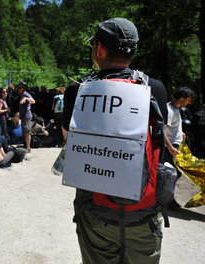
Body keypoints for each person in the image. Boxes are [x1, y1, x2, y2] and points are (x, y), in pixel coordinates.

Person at [62, 18, 168, 264]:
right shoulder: (156, 88)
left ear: (99, 49)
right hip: (144, 209)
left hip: (95, 211)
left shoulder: (77, 91)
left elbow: (69, 142)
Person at [163, 87, 195, 209]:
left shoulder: (176, 109)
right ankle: (167, 200)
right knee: (172, 174)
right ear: (182, 98)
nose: (189, 103)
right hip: (171, 147)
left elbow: (172, 127)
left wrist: (180, 133)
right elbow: (163, 130)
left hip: (176, 146)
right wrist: (170, 148)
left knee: (176, 174)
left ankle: (167, 199)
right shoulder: (169, 110)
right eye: (188, 100)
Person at [17, 82, 35, 153]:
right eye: (18, 87)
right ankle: (26, 146)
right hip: (23, 116)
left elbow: (33, 101)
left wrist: (26, 98)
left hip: (27, 116)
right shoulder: (21, 94)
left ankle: (28, 148)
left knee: (27, 132)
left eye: (20, 87)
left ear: (24, 88)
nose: (19, 89)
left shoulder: (26, 94)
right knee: (24, 132)